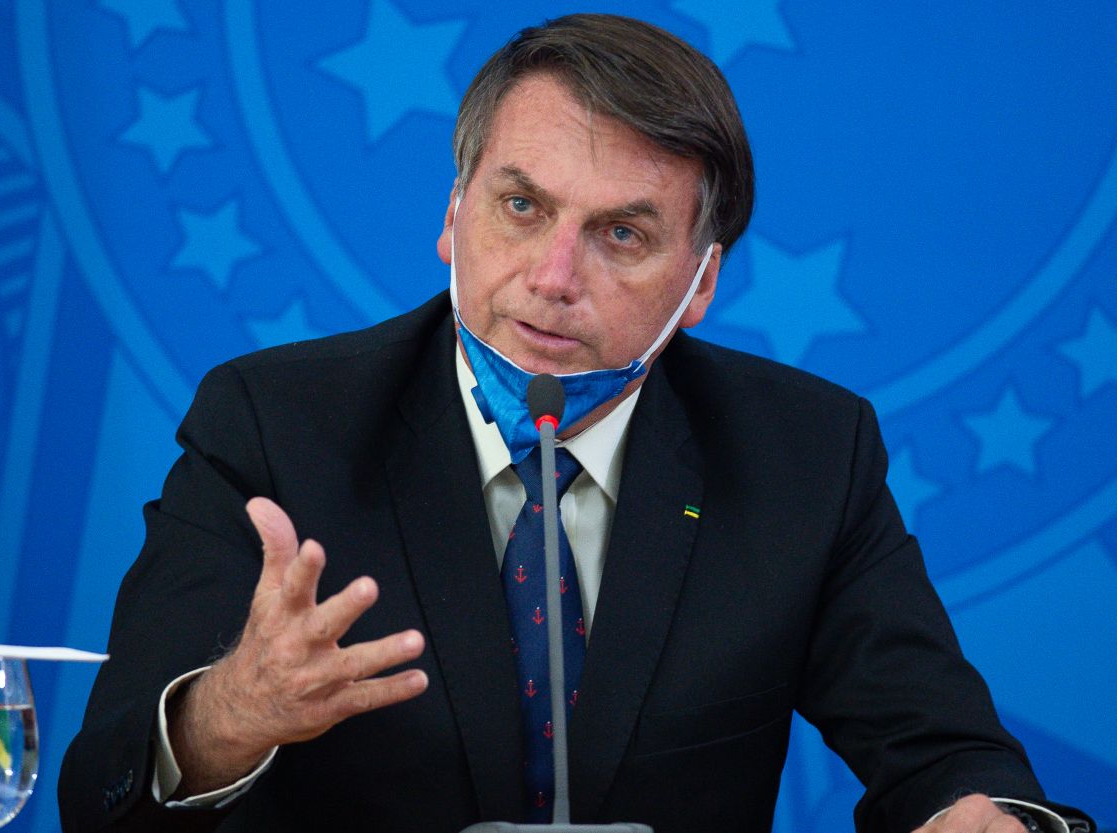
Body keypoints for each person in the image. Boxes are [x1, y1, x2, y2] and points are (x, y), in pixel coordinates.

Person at [59, 14, 1093, 833]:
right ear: (452, 211)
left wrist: (979, 813)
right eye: (521, 207)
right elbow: (100, 786)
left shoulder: (806, 454)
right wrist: (228, 713)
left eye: (622, 234)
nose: (553, 279)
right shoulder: (274, 423)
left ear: (700, 282)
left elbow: (939, 749)